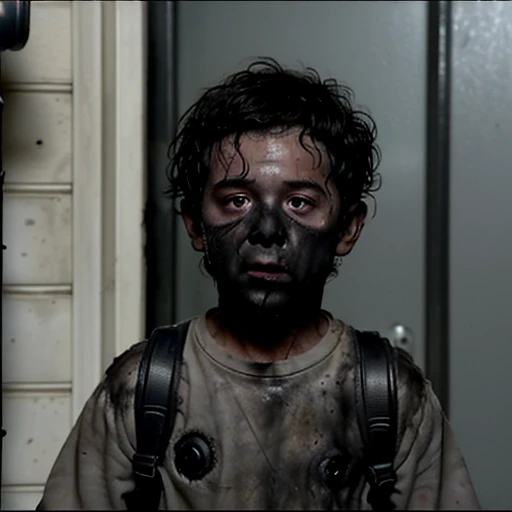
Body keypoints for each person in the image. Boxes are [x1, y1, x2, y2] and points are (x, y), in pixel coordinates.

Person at [38, 58, 480, 510]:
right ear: (195, 224)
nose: (267, 229)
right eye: (237, 200)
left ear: (348, 227)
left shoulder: (390, 395)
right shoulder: (141, 389)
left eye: (299, 202)